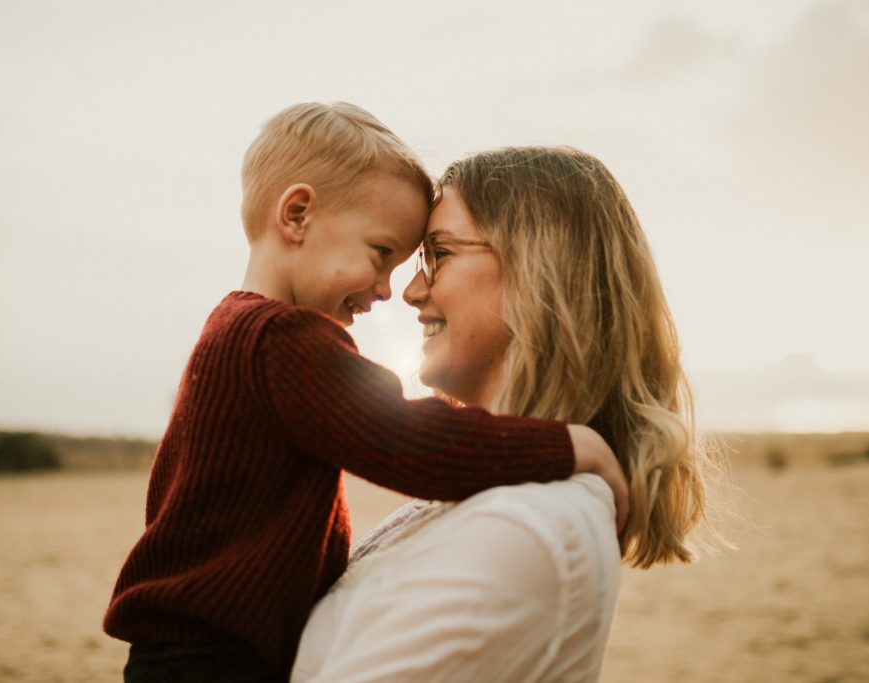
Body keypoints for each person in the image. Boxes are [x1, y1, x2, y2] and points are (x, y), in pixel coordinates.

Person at [102, 105, 628, 683]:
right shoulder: (278, 340)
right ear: (297, 215)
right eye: (383, 255)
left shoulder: (233, 332)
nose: (389, 290)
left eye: (428, 258)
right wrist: (567, 447)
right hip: (208, 660)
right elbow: (405, 439)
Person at [292, 146, 725, 682]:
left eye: (438, 253)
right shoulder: (495, 493)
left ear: (540, 269)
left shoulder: (532, 525)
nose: (410, 290)